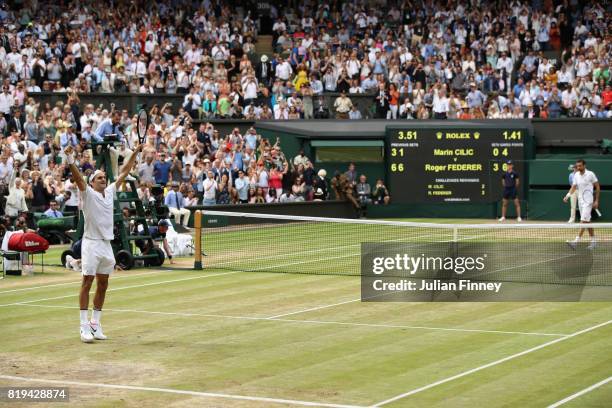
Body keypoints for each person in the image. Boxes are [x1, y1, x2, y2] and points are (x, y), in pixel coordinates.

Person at [64, 142, 143, 343]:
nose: (103, 179)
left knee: (103, 284)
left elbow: (124, 171)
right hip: (90, 244)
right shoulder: (86, 192)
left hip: (106, 245)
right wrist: (71, 160)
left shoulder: (109, 191)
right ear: (91, 182)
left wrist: (134, 152)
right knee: (87, 282)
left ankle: (95, 324)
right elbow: (79, 179)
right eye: (99, 178)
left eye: (104, 177)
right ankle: (83, 327)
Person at [564, 159, 600, 250]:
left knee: (583, 221)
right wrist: (567, 196)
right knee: (587, 221)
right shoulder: (576, 175)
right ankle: (594, 241)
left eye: (580, 166)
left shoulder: (590, 174)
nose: (578, 167)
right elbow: (574, 187)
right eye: (577, 166)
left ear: (584, 165)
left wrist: (596, 200)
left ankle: (576, 242)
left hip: (588, 201)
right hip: (580, 200)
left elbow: (597, 186)